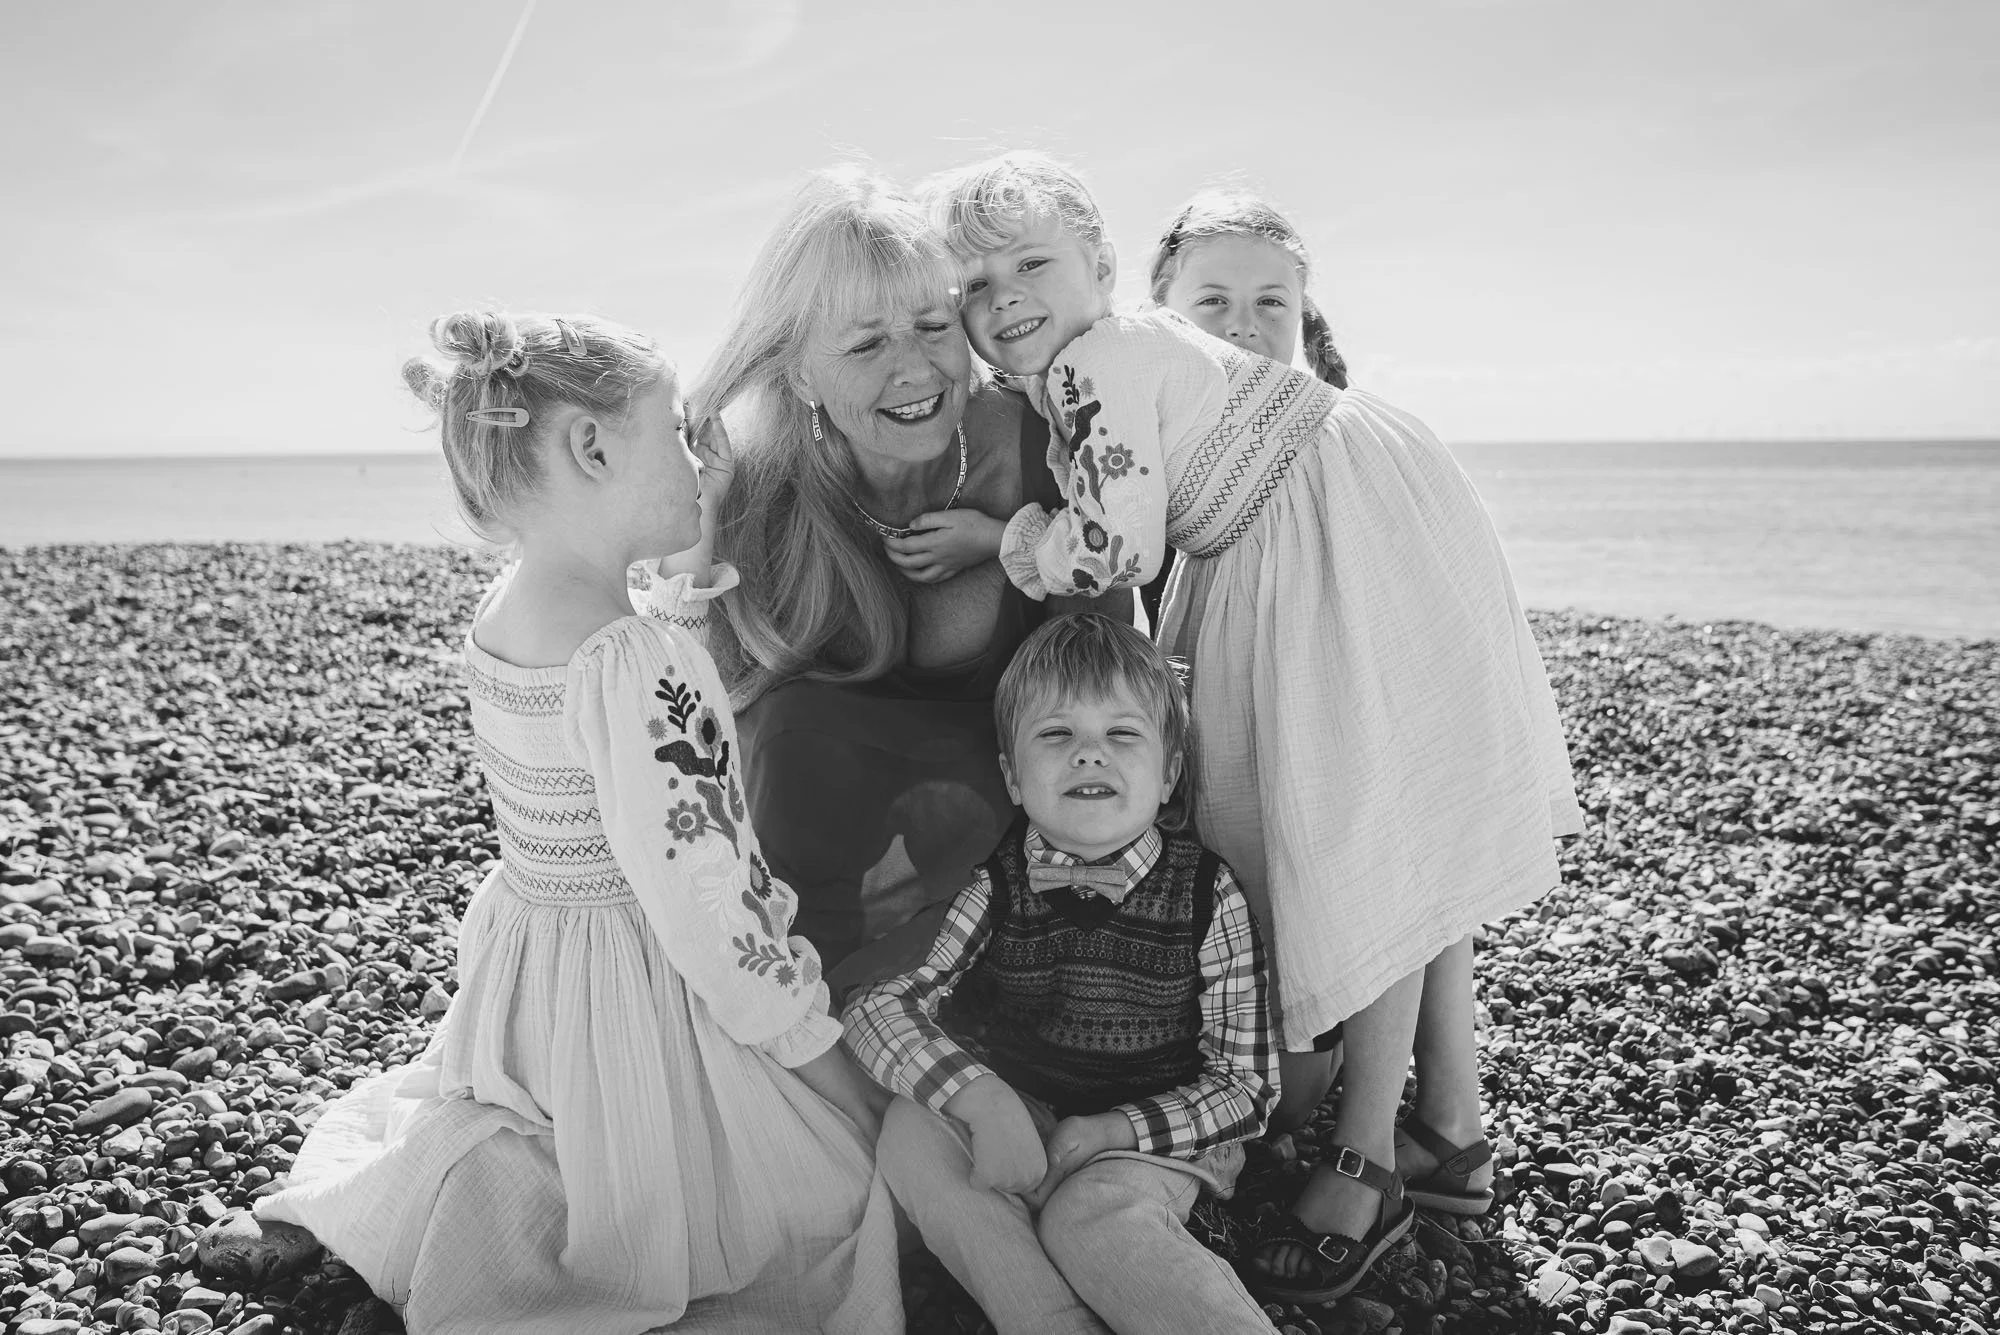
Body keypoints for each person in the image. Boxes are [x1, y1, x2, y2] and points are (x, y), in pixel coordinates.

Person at [923, 152, 1584, 1304]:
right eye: (973, 286)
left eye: (1029, 265)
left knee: (1351, 828)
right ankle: (1432, 1135)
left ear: (1101, 268)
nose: (1004, 298)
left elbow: (1116, 546)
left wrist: (1001, 540)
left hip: (1318, 531)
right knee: (1378, 817)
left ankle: (1366, 1165)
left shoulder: (1092, 360)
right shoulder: (1112, 356)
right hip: (1334, 506)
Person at [251, 311, 901, 1334]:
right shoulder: (630, 660)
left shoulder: (513, 612)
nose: (700, 459)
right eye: (676, 432)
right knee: (837, 1191)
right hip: (639, 995)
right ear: (591, 447)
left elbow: (620, 716)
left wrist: (692, 540)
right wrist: (827, 1069)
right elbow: (711, 908)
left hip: (543, 981)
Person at [647, 167, 1125, 998]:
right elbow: (681, 705)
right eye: (867, 345)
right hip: (815, 884)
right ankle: (812, 1012)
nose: (915, 370)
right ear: (801, 375)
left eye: (933, 326)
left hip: (1025, 858)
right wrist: (698, 524)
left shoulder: (1043, 451)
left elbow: (1116, 675)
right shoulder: (764, 491)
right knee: (795, 732)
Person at [845, 614, 1277, 1335]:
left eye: (1122, 734)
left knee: (1088, 1216)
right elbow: (876, 1007)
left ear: (1169, 773)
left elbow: (1247, 1085)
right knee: (910, 1136)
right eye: (1056, 733)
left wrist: (1116, 1131)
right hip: (1025, 1114)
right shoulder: (995, 881)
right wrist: (981, 1098)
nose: (1089, 753)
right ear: (1013, 777)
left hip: (1153, 1141)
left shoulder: (1208, 893)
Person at [1135, 188, 1349, 631]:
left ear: (1300, 313)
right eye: (1213, 301)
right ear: (1160, 313)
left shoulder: (1333, 455)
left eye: (1270, 302)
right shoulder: (1130, 438)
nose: (1243, 327)